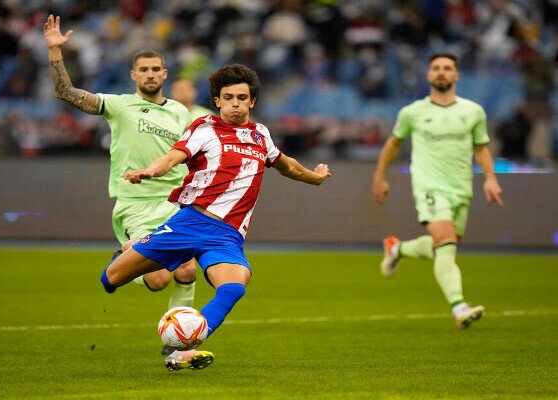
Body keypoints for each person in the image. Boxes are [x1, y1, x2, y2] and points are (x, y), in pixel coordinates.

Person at [101, 63, 331, 371]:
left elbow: (285, 164)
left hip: (226, 236)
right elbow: (173, 157)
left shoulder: (261, 135)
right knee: (112, 278)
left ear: (252, 102)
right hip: (190, 223)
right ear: (217, 100)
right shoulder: (204, 129)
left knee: (235, 286)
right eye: (228, 97)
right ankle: (128, 248)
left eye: (241, 97)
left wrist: (314, 178)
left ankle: (184, 346)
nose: (235, 103)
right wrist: (149, 171)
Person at [43, 14, 197, 354]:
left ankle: (179, 345)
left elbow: (190, 156)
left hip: (174, 203)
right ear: (134, 75)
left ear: (165, 73)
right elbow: (65, 92)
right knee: (158, 281)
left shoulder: (180, 113)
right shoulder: (119, 105)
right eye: (144, 70)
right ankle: (123, 259)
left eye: (156, 69)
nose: (151, 74)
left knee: (186, 269)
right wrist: (55, 52)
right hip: (135, 203)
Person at [371, 52, 504, 330]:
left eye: (447, 68)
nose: (441, 72)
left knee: (444, 247)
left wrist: (490, 178)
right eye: (436, 68)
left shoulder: (473, 112)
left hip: (461, 189)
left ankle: (397, 248)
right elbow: (393, 144)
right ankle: (459, 307)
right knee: (446, 246)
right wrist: (380, 176)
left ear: (457, 75)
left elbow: (481, 148)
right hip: (430, 187)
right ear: (428, 75)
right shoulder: (412, 112)